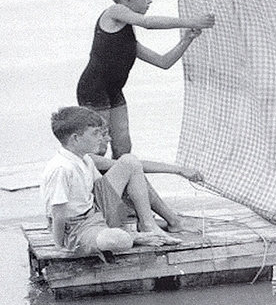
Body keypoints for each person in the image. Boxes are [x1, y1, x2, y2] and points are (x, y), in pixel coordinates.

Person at [76, 0, 215, 159]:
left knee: (124, 146)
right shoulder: (114, 12)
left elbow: (164, 62)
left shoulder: (126, 37)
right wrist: (191, 21)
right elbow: (147, 23)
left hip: (114, 90)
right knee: (98, 147)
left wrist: (187, 38)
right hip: (93, 89)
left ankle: (121, 183)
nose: (150, 1)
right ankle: (98, 186)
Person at [40, 106, 182, 256]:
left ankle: (149, 226)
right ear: (75, 138)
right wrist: (59, 245)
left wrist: (130, 206)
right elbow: (58, 213)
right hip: (76, 226)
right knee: (121, 241)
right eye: (95, 134)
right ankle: (134, 237)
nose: (101, 138)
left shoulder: (85, 158)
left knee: (130, 161)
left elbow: (104, 188)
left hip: (94, 211)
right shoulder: (61, 169)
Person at [89, 120, 203, 234]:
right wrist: (179, 170)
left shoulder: (86, 159)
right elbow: (132, 164)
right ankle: (169, 222)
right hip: (95, 219)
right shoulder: (88, 158)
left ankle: (172, 221)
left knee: (135, 172)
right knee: (130, 164)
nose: (109, 139)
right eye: (103, 135)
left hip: (100, 212)